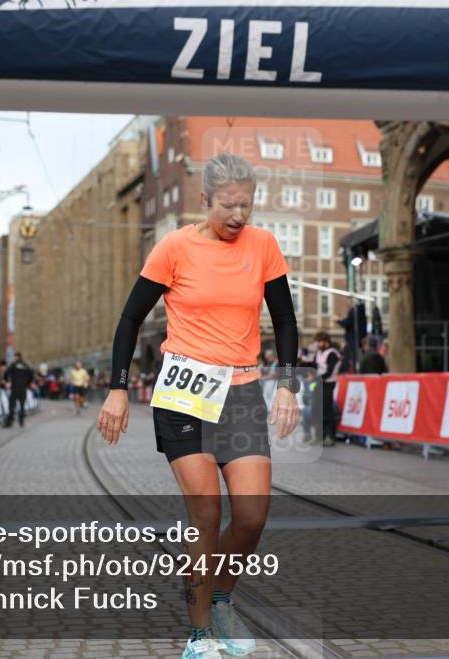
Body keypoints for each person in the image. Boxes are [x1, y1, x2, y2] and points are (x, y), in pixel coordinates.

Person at [96, 153, 299, 659]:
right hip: (186, 391)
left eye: (246, 206)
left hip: (243, 390)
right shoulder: (174, 248)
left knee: (251, 517)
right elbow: (129, 320)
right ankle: (200, 634)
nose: (238, 216)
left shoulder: (264, 246)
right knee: (205, 512)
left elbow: (286, 320)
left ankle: (220, 595)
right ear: (204, 200)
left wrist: (289, 384)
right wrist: (118, 387)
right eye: (228, 205)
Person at [313, 331, 341, 447]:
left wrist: (318, 378)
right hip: (320, 383)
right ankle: (320, 435)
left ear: (326, 341)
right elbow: (315, 366)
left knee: (327, 410)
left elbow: (329, 372)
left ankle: (330, 436)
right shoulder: (319, 352)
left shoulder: (332, 354)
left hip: (329, 383)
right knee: (317, 409)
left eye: (320, 342)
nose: (318, 344)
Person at [3, 352, 34, 428]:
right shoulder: (26, 365)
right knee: (22, 405)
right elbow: (31, 376)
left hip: (15, 387)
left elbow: (6, 372)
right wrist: (27, 384)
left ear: (16, 357)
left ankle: (10, 421)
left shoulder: (13, 364)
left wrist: (7, 381)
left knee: (12, 405)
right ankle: (21, 420)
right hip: (23, 388)